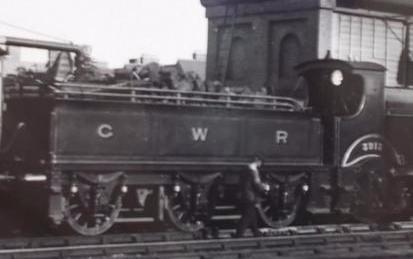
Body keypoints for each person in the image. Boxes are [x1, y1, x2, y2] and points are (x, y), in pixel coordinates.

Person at [234, 157, 270, 238]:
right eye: (260, 163)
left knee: (252, 215)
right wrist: (265, 187)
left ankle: (256, 232)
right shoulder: (253, 171)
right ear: (258, 161)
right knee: (247, 216)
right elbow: (256, 184)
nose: (260, 165)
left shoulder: (245, 169)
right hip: (250, 196)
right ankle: (239, 234)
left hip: (243, 195)